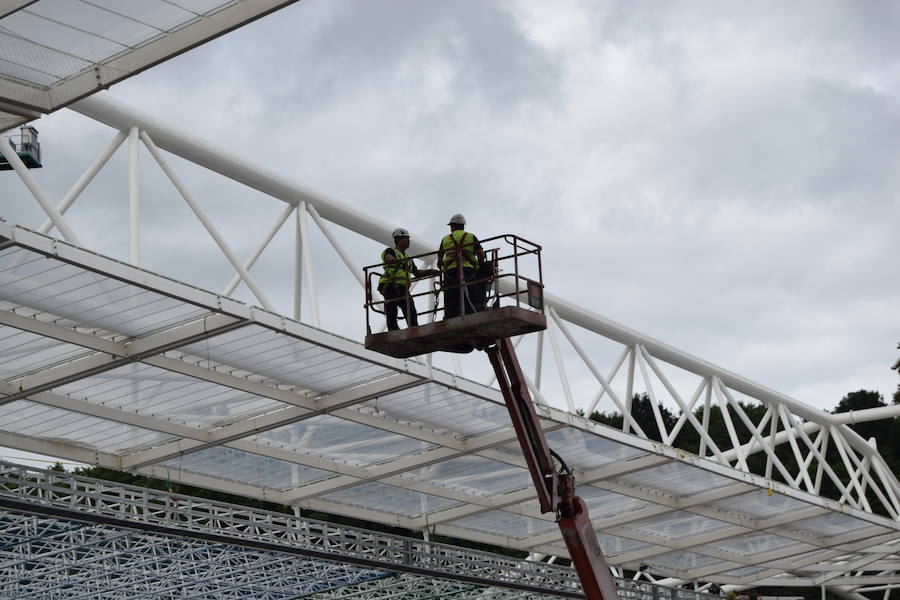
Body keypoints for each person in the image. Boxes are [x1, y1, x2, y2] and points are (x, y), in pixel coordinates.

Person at [378, 228, 437, 330]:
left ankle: (414, 330)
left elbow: (417, 273)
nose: (408, 240)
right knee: (392, 310)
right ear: (398, 240)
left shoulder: (408, 258)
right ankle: (393, 331)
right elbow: (388, 257)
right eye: (406, 238)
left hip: (402, 287)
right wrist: (392, 260)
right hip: (390, 285)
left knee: (411, 310)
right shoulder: (391, 251)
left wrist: (432, 271)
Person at [437, 214, 485, 318]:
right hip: (468, 271)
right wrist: (480, 265)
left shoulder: (445, 239)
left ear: (453, 226)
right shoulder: (471, 237)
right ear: (463, 226)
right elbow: (481, 255)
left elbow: (439, 260)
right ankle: (471, 316)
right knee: (470, 296)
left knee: (451, 298)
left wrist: (442, 264)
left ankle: (450, 318)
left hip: (450, 272)